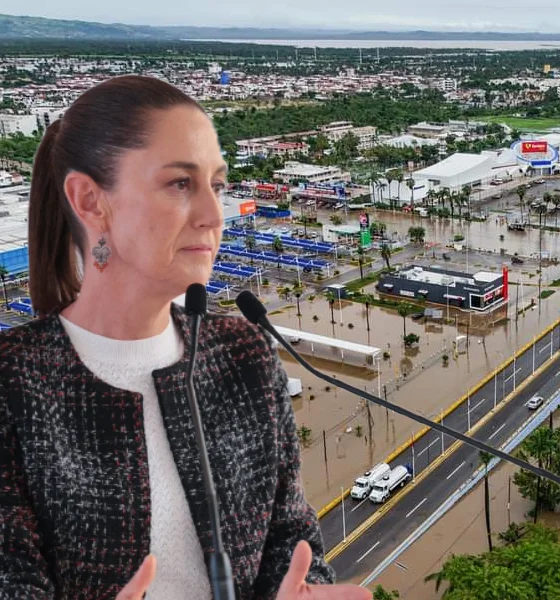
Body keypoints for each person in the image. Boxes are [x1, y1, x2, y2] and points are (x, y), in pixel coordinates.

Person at [0, 76, 370, 600]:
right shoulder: (13, 381)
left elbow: (289, 539)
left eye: (217, 186)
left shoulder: (244, 354)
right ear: (90, 201)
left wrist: (300, 592)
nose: (214, 215)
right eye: (180, 184)